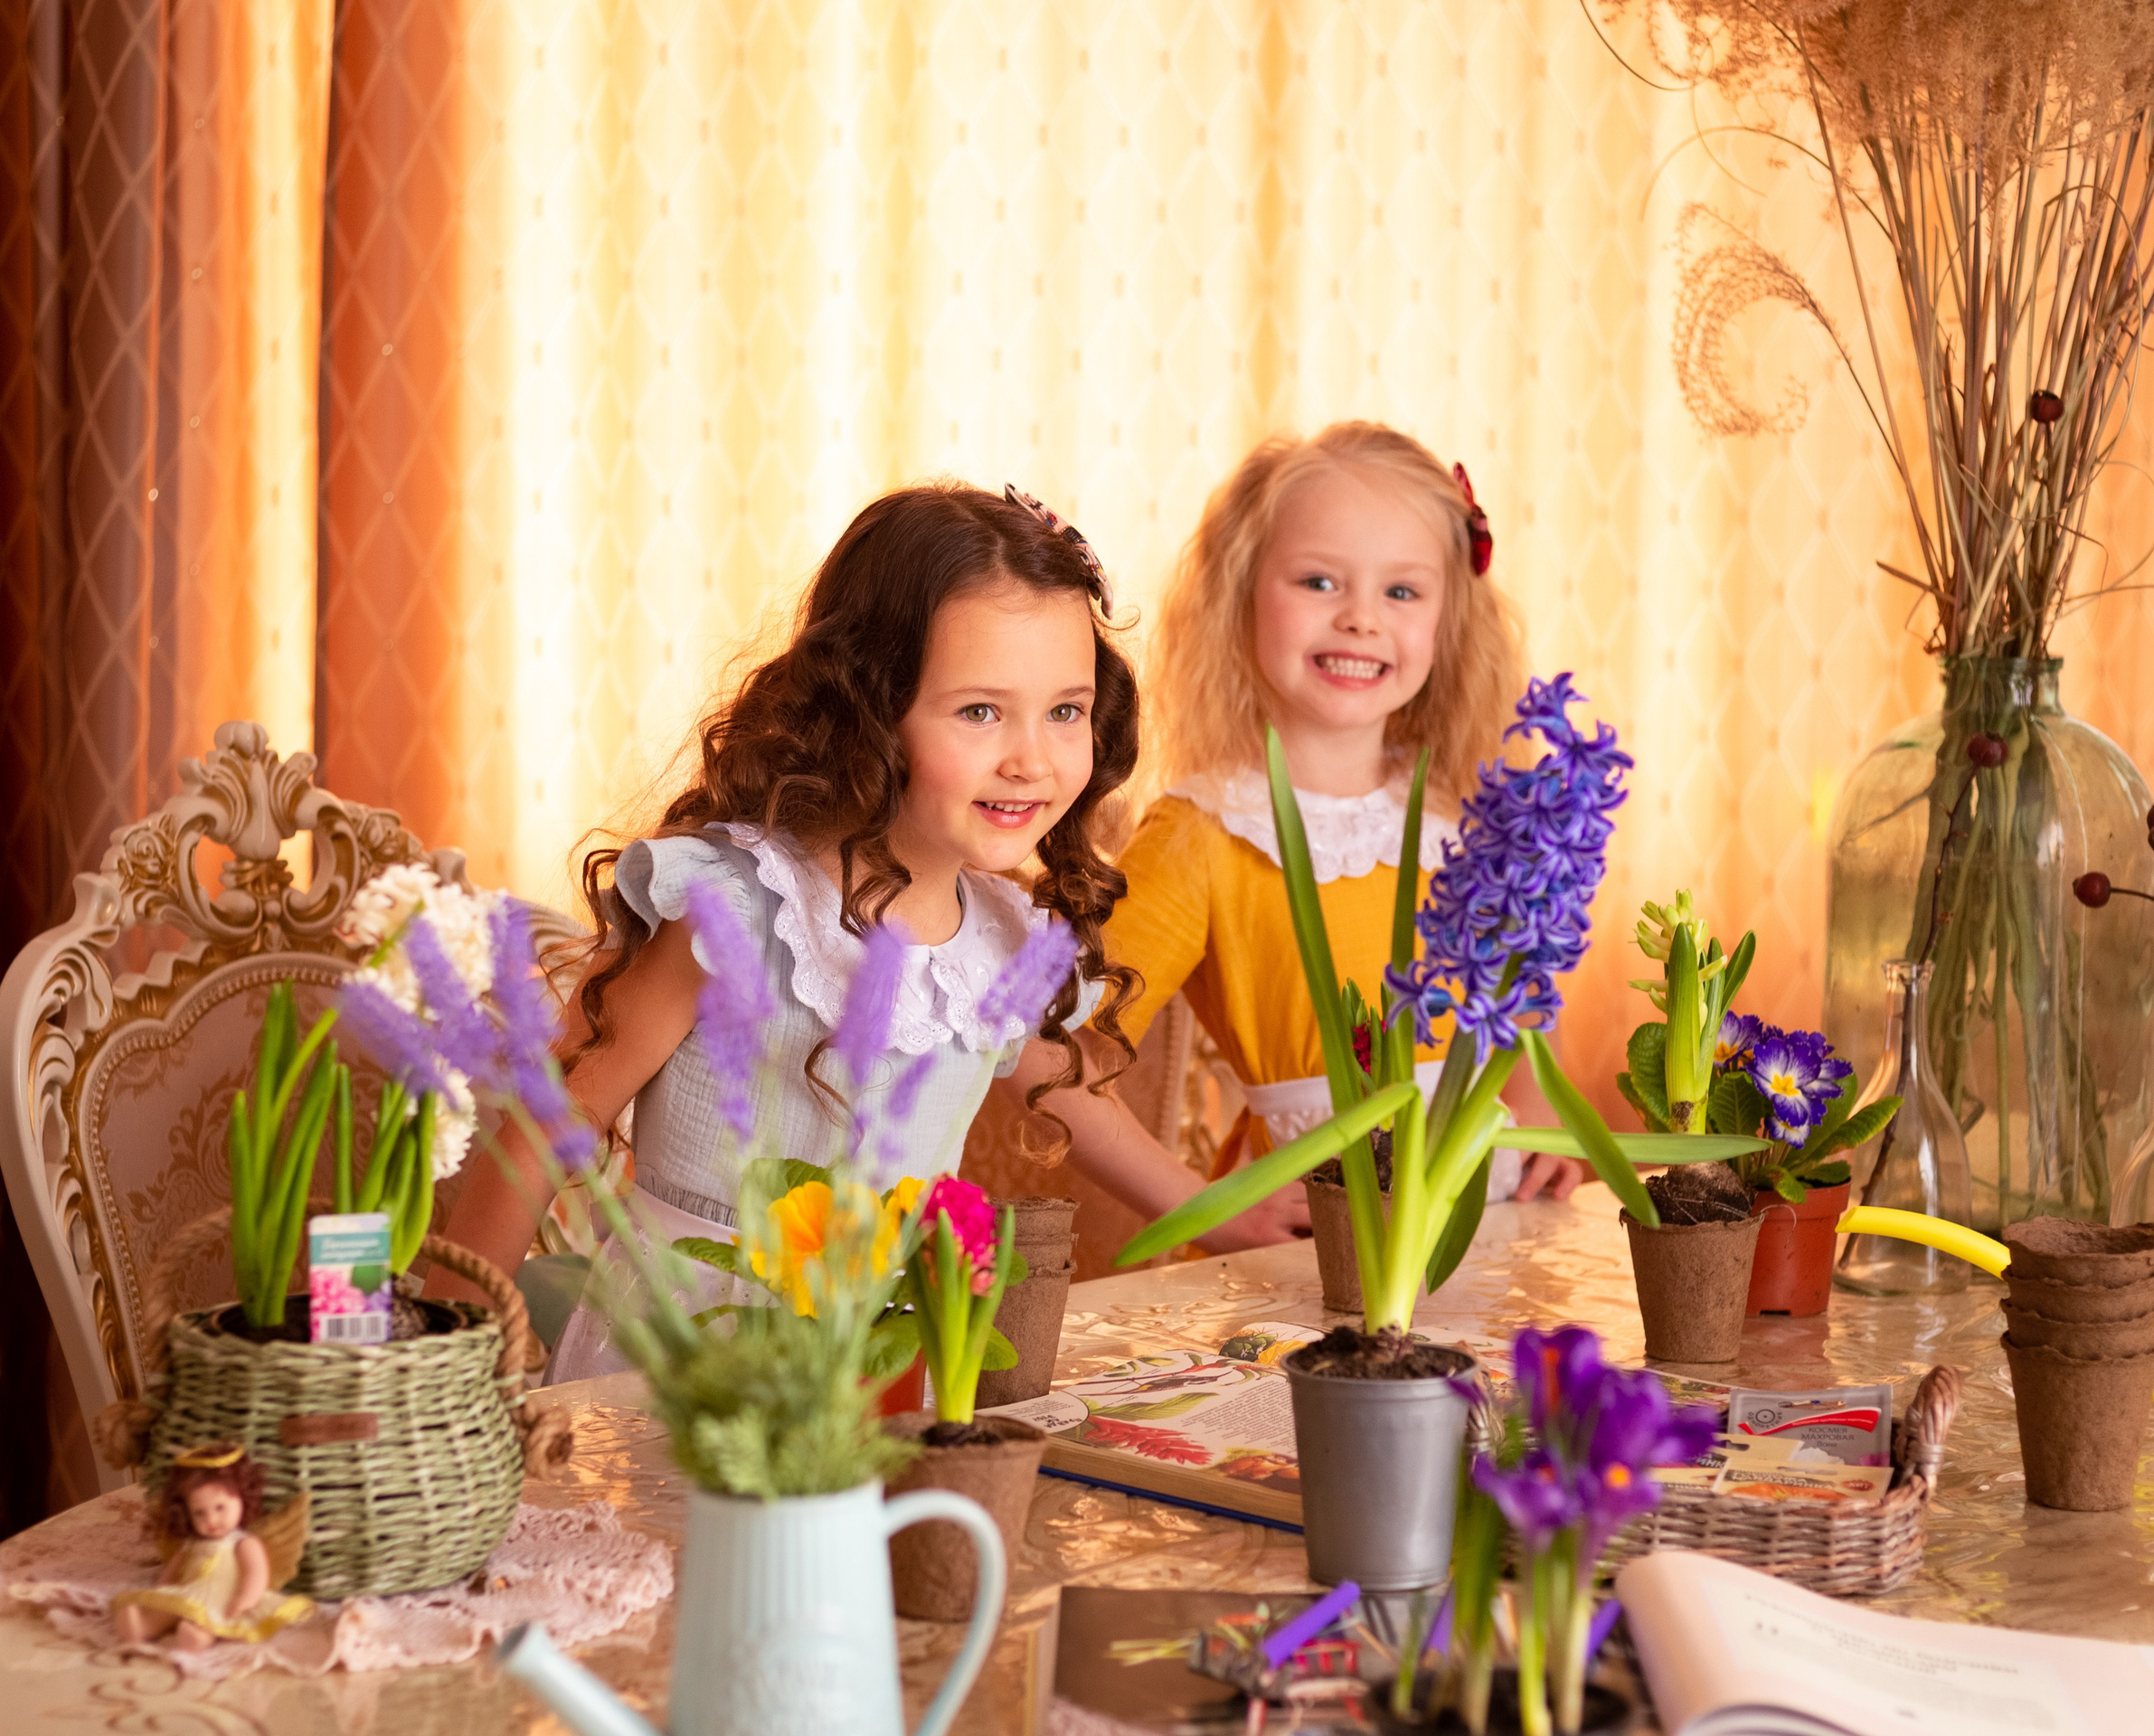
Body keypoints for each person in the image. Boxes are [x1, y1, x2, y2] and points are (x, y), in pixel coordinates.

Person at [435, 483, 1163, 1360]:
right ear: (868, 705)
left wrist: (1226, 1209)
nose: (1031, 759)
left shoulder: (1006, 936)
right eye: (979, 711)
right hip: (687, 1357)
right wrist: (445, 1356)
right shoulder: (733, 905)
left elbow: (1073, 1092)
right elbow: (542, 1126)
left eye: (1065, 712)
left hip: (883, 1355)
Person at [989, 423, 1585, 1234]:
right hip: (1324, 1244)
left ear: (1450, 620)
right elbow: (1036, 1048)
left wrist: (1539, 1107)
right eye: (1318, 582)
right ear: (1241, 595)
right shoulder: (1206, 833)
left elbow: (1516, 1025)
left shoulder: (1472, 810)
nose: (1361, 620)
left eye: (1401, 592)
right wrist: (1208, 1207)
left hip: (1501, 1223)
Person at [111, 1444, 313, 1649]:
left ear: (242, 1498)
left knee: (208, 1620)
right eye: (200, 1513)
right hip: (189, 1593)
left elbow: (256, 1573)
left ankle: (197, 1637)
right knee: (166, 1610)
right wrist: (161, 1592)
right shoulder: (191, 1543)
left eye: (220, 1507)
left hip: (223, 1598)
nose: (211, 1519)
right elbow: (173, 1570)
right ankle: (143, 1628)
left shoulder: (242, 1542)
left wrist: (246, 1598)